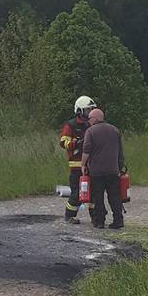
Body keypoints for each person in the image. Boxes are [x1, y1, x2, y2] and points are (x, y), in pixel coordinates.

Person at [81, 108, 126, 229]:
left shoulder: (90, 131)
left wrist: (83, 165)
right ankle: (118, 220)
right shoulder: (115, 130)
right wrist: (120, 167)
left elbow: (86, 151)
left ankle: (99, 221)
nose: (88, 121)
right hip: (113, 170)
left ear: (95, 119)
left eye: (90, 118)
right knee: (114, 196)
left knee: (98, 197)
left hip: (97, 171)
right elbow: (120, 152)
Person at [59, 96, 97, 224]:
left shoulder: (91, 125)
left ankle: (96, 217)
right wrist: (76, 143)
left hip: (91, 165)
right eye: (88, 110)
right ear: (80, 111)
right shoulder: (71, 125)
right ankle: (69, 216)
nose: (90, 112)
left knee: (94, 193)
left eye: (91, 109)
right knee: (76, 193)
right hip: (76, 165)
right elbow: (63, 142)